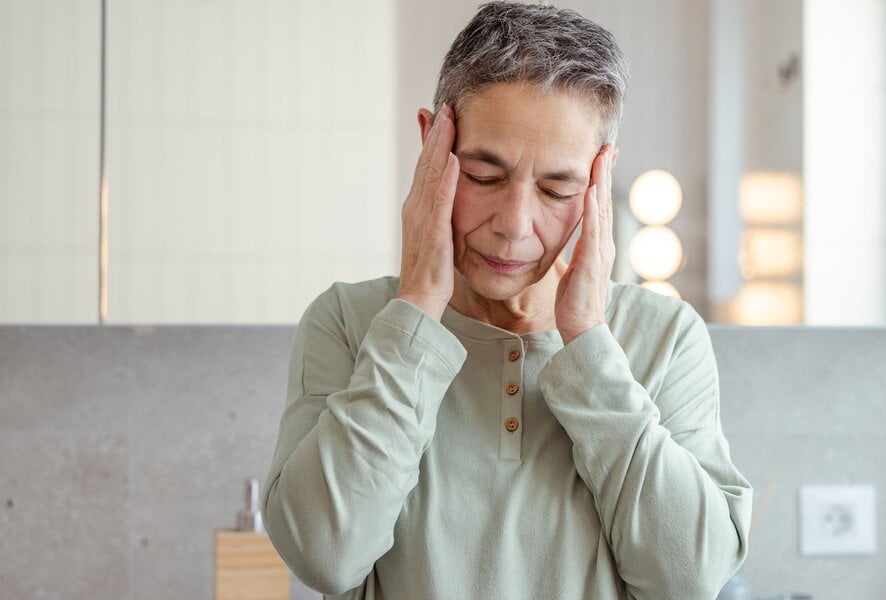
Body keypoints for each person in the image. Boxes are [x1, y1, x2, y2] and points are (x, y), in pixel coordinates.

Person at [262, 3, 751, 598]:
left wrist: (590, 345)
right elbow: (325, 556)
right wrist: (416, 309)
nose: (515, 226)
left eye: (557, 188)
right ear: (431, 146)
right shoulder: (348, 321)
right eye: (484, 176)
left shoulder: (663, 337)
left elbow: (689, 578)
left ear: (599, 180)